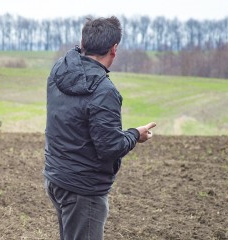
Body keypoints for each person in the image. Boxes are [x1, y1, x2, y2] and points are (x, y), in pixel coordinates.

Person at [43, 16, 156, 240]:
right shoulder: (105, 91)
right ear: (114, 49)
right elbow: (109, 147)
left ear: (83, 43)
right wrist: (135, 134)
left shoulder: (59, 70)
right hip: (83, 189)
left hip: (56, 177)